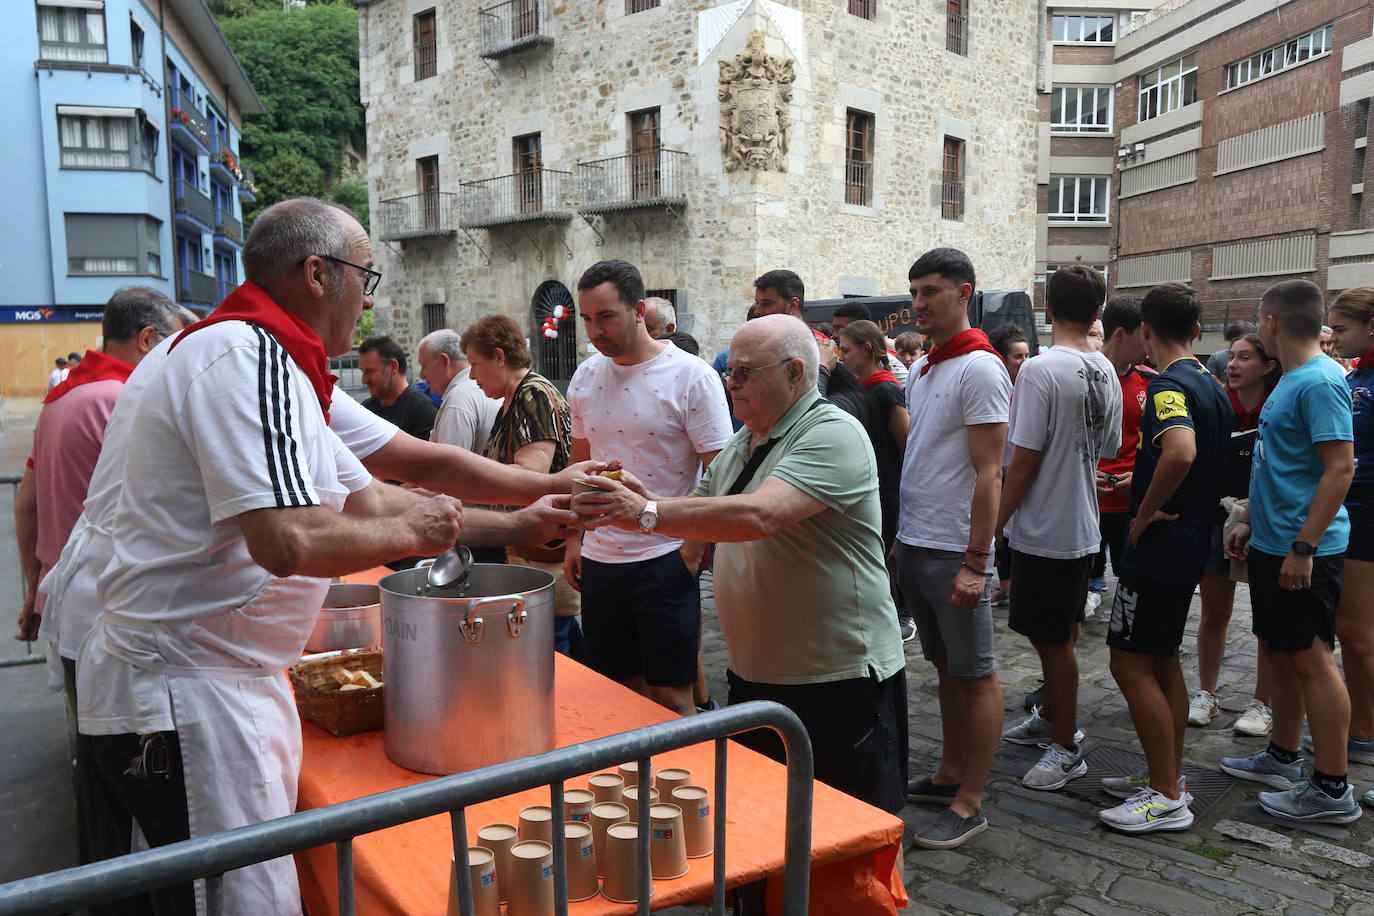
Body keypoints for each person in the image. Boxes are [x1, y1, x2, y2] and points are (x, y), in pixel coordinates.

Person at [71, 198, 468, 914]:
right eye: (365, 279)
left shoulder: (278, 362)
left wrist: (524, 507)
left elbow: (375, 494)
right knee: (239, 903)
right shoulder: (245, 353)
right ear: (318, 274)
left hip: (195, 678)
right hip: (189, 693)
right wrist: (420, 536)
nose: (367, 305)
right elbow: (291, 539)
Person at [571, 314, 906, 812]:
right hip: (758, 674)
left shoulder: (834, 431)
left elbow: (762, 514)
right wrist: (646, 497)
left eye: (745, 372)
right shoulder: (743, 440)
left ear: (795, 372)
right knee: (774, 819)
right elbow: (701, 513)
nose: (730, 383)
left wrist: (644, 511)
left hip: (838, 676)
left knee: (858, 825)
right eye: (730, 371)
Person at [15, 287, 185, 777]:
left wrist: (34, 590)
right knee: (135, 776)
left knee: (91, 770)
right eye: (176, 341)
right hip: (117, 617)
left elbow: (26, 507)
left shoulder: (59, 399)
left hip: (64, 606)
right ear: (149, 339)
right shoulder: (127, 399)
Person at [564, 259, 732, 716]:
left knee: (672, 696)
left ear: (639, 310)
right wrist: (575, 538)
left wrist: (691, 554)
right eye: (586, 319)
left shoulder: (691, 375)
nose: (595, 331)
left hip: (665, 556)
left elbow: (720, 474)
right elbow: (581, 467)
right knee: (616, 691)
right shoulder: (584, 376)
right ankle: (635, 787)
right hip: (601, 560)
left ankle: (687, 786)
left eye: (606, 316)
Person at [1219, 279, 1359, 824]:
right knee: (1281, 651)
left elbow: (1339, 468)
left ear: (1273, 322)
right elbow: (1276, 461)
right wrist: (1252, 519)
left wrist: (1303, 547)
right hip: (1274, 542)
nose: (1256, 329)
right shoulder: (1294, 378)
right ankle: (1281, 756)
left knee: (1313, 661)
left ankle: (1330, 788)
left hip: (1305, 551)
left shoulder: (1319, 382)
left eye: (1258, 321)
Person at [1099, 282, 1230, 833]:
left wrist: (1145, 509)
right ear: (1197, 329)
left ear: (1147, 330)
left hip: (1161, 546)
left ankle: (1164, 793)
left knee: (1127, 663)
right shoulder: (1210, 381)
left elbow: (1180, 451)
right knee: (1163, 659)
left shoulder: (1168, 387)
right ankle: (1168, 775)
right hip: (1194, 538)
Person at [895, 247, 1009, 849]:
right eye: (915, 292)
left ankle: (971, 802)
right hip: (918, 541)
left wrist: (976, 562)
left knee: (976, 673)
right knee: (945, 669)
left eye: (932, 292)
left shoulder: (981, 368)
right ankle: (949, 774)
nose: (919, 304)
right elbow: (924, 457)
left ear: (964, 293)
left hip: (954, 551)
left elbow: (991, 473)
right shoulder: (926, 368)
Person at [996, 266, 1121, 792]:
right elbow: (1109, 449)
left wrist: (992, 525)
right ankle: (1053, 717)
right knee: (1059, 635)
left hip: (1047, 525)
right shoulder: (1107, 370)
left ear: (1048, 308)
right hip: (1080, 522)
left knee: (1053, 644)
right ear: (1097, 313)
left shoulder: (1041, 370)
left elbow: (1022, 460)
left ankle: (1066, 745)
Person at [462, 313, 584, 661]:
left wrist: (464, 483)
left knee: (550, 650)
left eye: (475, 364)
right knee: (565, 641)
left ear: (499, 357)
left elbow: (531, 477)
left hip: (545, 546)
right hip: (536, 544)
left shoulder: (532, 394)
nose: (471, 376)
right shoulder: (517, 397)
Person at [1188, 332, 1279, 732]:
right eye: (1233, 357)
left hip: (1265, 518)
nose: (1234, 365)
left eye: (1245, 357)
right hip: (1216, 516)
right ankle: (1206, 693)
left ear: (1268, 365)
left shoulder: (1276, 408)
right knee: (1213, 612)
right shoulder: (1218, 406)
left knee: (1267, 618)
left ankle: (1263, 702)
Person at [834, 318, 913, 640]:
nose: (842, 357)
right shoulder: (861, 387)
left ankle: (902, 614)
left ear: (867, 350)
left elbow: (906, 445)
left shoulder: (885, 389)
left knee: (885, 553)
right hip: (873, 484)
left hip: (888, 487)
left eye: (847, 351)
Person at [1328, 289, 1374, 798]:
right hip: (1353, 510)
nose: (1333, 337)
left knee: (1359, 634)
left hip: (1369, 512)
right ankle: (1363, 727)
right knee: (1353, 633)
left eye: (1341, 328)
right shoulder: (1356, 373)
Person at [1087, 296, 1153, 619]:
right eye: (1144, 335)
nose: (1149, 344)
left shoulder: (1150, 381)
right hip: (1090, 499)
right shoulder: (1082, 376)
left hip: (1131, 498)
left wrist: (1141, 476)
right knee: (1090, 573)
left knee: (1131, 572)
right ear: (1120, 334)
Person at [986, 324, 1030, 608]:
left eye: (1028, 355)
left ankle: (1016, 586)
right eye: (1018, 356)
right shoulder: (996, 389)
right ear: (1002, 359)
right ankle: (1006, 586)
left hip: (1021, 473)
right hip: (997, 472)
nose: (1025, 362)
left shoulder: (1032, 389)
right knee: (999, 533)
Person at [419, 328, 499, 455]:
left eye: (424, 366)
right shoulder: (489, 389)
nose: (421, 375)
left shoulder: (458, 399)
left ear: (444, 361)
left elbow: (450, 468)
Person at [358, 334, 437, 441]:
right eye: (363, 372)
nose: (364, 380)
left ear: (393, 367)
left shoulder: (422, 411)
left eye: (370, 371)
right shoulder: (365, 410)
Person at [832, 300, 908, 385]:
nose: (834, 335)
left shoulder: (889, 364)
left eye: (842, 329)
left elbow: (910, 393)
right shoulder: (841, 362)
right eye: (834, 328)